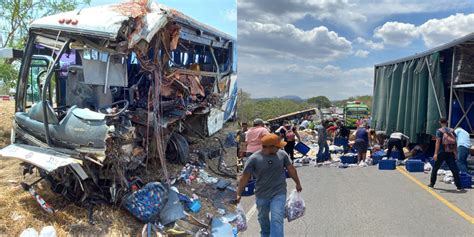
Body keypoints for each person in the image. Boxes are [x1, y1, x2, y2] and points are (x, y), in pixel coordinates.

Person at [237, 134, 302, 237]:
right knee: (263, 219)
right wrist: (238, 193)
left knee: (277, 219)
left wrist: (298, 183)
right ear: (268, 147)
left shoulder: (282, 155)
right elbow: (245, 177)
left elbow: (291, 169)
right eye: (277, 146)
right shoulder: (254, 159)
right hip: (262, 194)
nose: (280, 147)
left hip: (279, 193)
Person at [428, 118, 463, 191]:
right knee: (454, 169)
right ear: (447, 122)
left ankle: (432, 184)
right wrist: (455, 153)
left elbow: (437, 142)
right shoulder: (452, 130)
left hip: (441, 151)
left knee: (435, 168)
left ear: (440, 122)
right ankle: (459, 187)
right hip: (450, 151)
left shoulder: (439, 131)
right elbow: (455, 143)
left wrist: (435, 153)